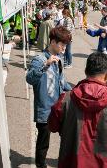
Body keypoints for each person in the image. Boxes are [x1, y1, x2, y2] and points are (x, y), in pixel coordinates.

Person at [26, 26, 73, 168]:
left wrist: (74, 91)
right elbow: (29, 79)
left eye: (66, 45)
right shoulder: (39, 59)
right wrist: (45, 65)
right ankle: (40, 164)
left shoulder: (59, 59)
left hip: (59, 107)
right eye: (62, 44)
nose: (64, 48)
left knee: (67, 137)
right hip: (45, 109)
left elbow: (61, 81)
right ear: (53, 42)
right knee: (43, 142)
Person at [86, 16, 107, 89]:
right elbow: (94, 33)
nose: (106, 22)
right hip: (102, 53)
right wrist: (87, 30)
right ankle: (99, 87)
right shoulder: (103, 30)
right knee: (100, 70)